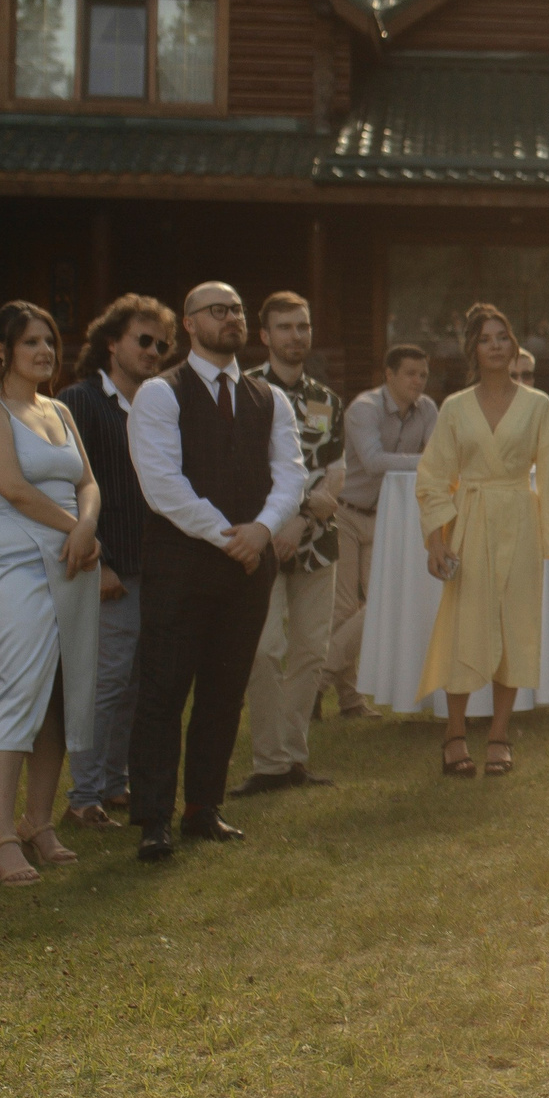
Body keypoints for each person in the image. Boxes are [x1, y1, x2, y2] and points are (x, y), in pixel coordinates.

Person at [127, 281, 306, 862]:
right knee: (163, 690)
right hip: (181, 565)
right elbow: (161, 484)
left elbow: (292, 474)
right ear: (189, 322)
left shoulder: (268, 399)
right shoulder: (160, 394)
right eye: (217, 309)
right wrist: (229, 534)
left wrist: (263, 529)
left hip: (249, 565)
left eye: (236, 308)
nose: (230, 317)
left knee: (225, 692)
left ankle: (203, 807)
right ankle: (153, 817)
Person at [0, 302, 103, 888]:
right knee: (20, 693)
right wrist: (74, 529)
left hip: (75, 562)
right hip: (20, 565)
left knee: (62, 700)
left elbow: (87, 481)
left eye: (49, 341)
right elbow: (13, 488)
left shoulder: (60, 409)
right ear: (1, 350)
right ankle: (0, 835)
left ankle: (39, 822)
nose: (44, 351)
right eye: (30, 343)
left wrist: (88, 525)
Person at [415, 304, 549, 778]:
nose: (495, 345)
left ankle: (500, 735)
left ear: (513, 345)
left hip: (520, 523)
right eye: (485, 338)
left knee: (514, 629)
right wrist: (436, 539)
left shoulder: (538, 405)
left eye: (502, 337)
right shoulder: (454, 407)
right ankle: (453, 733)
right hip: (470, 524)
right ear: (474, 349)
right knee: (465, 628)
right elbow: (432, 478)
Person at [61, 294, 175, 825]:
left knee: (134, 681)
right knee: (102, 682)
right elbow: (72, 488)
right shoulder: (81, 402)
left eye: (162, 344)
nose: (154, 351)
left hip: (153, 566)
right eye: (143, 340)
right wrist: (97, 560)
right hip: (106, 566)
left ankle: (113, 782)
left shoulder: (160, 405)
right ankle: (83, 795)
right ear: (112, 343)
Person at [238, 292, 344, 795]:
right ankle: (268, 761)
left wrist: (305, 517)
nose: (295, 336)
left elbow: (337, 466)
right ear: (265, 336)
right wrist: (277, 523)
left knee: (308, 651)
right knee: (263, 650)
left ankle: (292, 760)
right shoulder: (244, 392)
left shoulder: (326, 398)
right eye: (284, 327)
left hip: (317, 544)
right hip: (261, 543)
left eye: (302, 326)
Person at [327, 345, 433, 718]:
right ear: (389, 375)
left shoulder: (428, 410)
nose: (418, 381)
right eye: (410, 374)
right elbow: (372, 462)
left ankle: (318, 677)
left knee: (377, 605)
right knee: (343, 608)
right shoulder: (364, 409)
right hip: (346, 513)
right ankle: (349, 700)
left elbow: (439, 458)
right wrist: (428, 462)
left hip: (389, 517)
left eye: (422, 374)